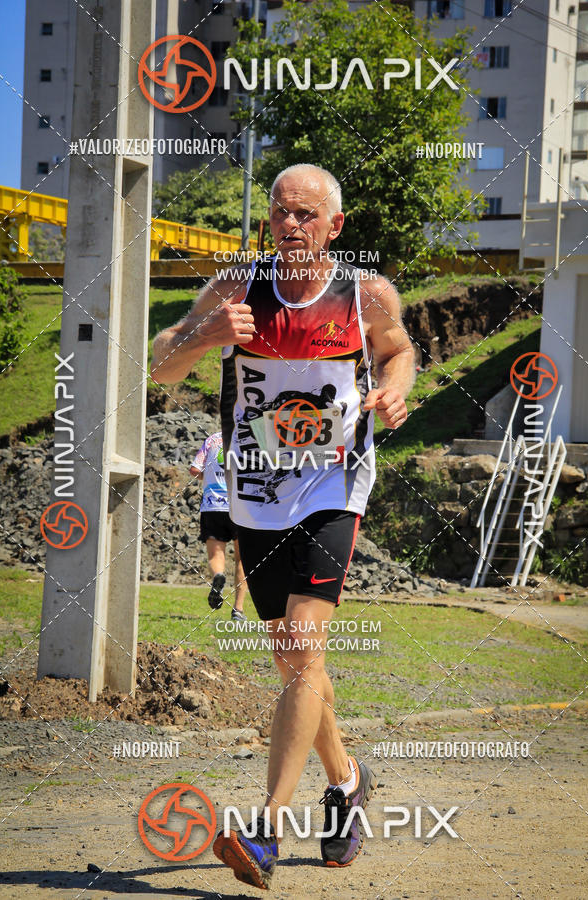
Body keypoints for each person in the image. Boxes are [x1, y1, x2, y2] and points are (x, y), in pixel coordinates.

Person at [151, 163, 415, 890]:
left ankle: (266, 827)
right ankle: (349, 781)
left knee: (302, 645)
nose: (290, 225)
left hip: (334, 484)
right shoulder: (238, 285)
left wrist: (394, 387)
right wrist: (206, 332)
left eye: (306, 215)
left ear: (335, 227)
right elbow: (162, 367)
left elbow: (400, 352)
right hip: (257, 491)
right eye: (279, 213)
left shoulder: (364, 295)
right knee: (298, 666)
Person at [190, 431, 247, 622]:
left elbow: (195, 470)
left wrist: (210, 477)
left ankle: (219, 575)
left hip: (213, 506)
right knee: (242, 560)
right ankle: (238, 610)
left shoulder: (212, 439)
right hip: (242, 506)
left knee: (215, 554)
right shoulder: (252, 435)